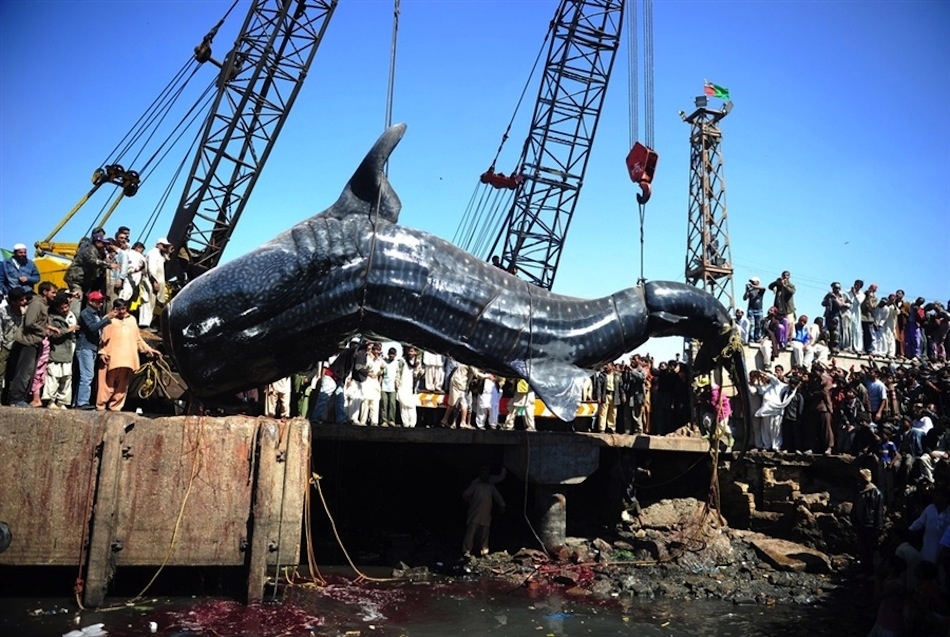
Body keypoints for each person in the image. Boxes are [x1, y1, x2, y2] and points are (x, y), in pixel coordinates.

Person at [96, 298, 160, 411]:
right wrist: (102, 352)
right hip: (111, 356)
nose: (121, 311)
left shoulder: (132, 320)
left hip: (128, 358)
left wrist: (149, 349)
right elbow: (102, 339)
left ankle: (115, 407)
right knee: (106, 385)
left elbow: (138, 339)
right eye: (119, 309)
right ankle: (101, 406)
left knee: (122, 385)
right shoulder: (108, 320)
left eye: (123, 309)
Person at [8, 281, 58, 407]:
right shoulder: (37, 304)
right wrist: (44, 330)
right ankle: (16, 399)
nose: (55, 295)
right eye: (53, 292)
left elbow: (37, 322)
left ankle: (20, 398)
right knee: (24, 372)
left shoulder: (42, 305)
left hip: (34, 342)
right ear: (45, 292)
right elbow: (30, 322)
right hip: (28, 342)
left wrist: (49, 327)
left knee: (29, 372)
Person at [73, 290, 115, 409]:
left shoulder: (96, 314)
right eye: (98, 301)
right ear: (91, 301)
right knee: (87, 375)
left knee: (86, 375)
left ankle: (79, 401)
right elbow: (92, 328)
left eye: (101, 301)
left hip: (92, 347)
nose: (101, 304)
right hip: (85, 347)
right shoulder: (86, 313)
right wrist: (107, 319)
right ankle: (82, 402)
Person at [43, 292, 79, 409]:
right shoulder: (52, 319)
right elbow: (53, 336)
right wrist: (68, 330)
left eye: (66, 307)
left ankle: (62, 401)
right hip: (56, 352)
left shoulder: (71, 316)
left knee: (67, 378)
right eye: (62, 308)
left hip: (69, 352)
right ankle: (51, 401)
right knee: (53, 377)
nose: (64, 309)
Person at [462, 466, 506, 557]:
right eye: (483, 473)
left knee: (484, 534)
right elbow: (465, 495)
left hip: (486, 514)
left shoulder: (490, 486)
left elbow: (497, 497)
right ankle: (467, 550)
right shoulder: (475, 485)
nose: (485, 475)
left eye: (486, 473)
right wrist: (471, 502)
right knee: (471, 533)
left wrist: (502, 505)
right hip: (475, 512)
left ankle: (484, 551)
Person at [851, 467, 884, 574]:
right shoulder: (860, 491)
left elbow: (878, 512)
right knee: (863, 548)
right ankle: (864, 569)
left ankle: (871, 571)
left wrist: (878, 527)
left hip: (869, 525)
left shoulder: (876, 493)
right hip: (860, 524)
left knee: (870, 549)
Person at [0, 287, 28, 401]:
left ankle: (10, 398)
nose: (24, 302)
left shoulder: (25, 312)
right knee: (1, 373)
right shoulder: (3, 311)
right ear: (13, 301)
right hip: (5, 346)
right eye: (21, 300)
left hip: (19, 346)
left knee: (15, 374)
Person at [64, 230, 111, 296]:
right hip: (75, 279)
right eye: (103, 243)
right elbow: (93, 261)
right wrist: (109, 265)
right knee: (78, 296)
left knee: (83, 297)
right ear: (97, 242)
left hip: (83, 280)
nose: (104, 245)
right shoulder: (90, 249)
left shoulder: (97, 251)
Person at [140, 237, 172, 329]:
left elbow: (166, 259)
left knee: (151, 303)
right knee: (147, 301)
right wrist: (155, 281)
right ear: (159, 244)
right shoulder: (153, 253)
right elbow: (151, 268)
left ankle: (147, 324)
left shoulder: (159, 254)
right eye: (164, 245)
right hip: (150, 281)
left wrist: (168, 251)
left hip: (155, 282)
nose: (165, 247)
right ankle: (144, 324)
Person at [379, 347, 400, 427]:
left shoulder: (397, 363)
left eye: (393, 354)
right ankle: (383, 420)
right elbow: (381, 373)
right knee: (384, 404)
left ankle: (391, 420)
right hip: (384, 385)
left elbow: (398, 374)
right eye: (390, 354)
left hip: (393, 387)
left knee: (392, 404)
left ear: (395, 355)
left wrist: (397, 382)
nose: (391, 356)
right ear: (388, 354)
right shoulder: (384, 362)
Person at [743, 276, 765, 342]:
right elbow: (744, 298)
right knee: (751, 325)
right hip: (751, 309)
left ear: (757, 282)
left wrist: (753, 286)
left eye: (753, 281)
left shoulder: (760, 290)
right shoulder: (750, 290)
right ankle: (751, 338)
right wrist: (747, 291)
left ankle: (757, 338)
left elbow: (764, 288)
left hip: (759, 310)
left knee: (758, 325)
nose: (751, 283)